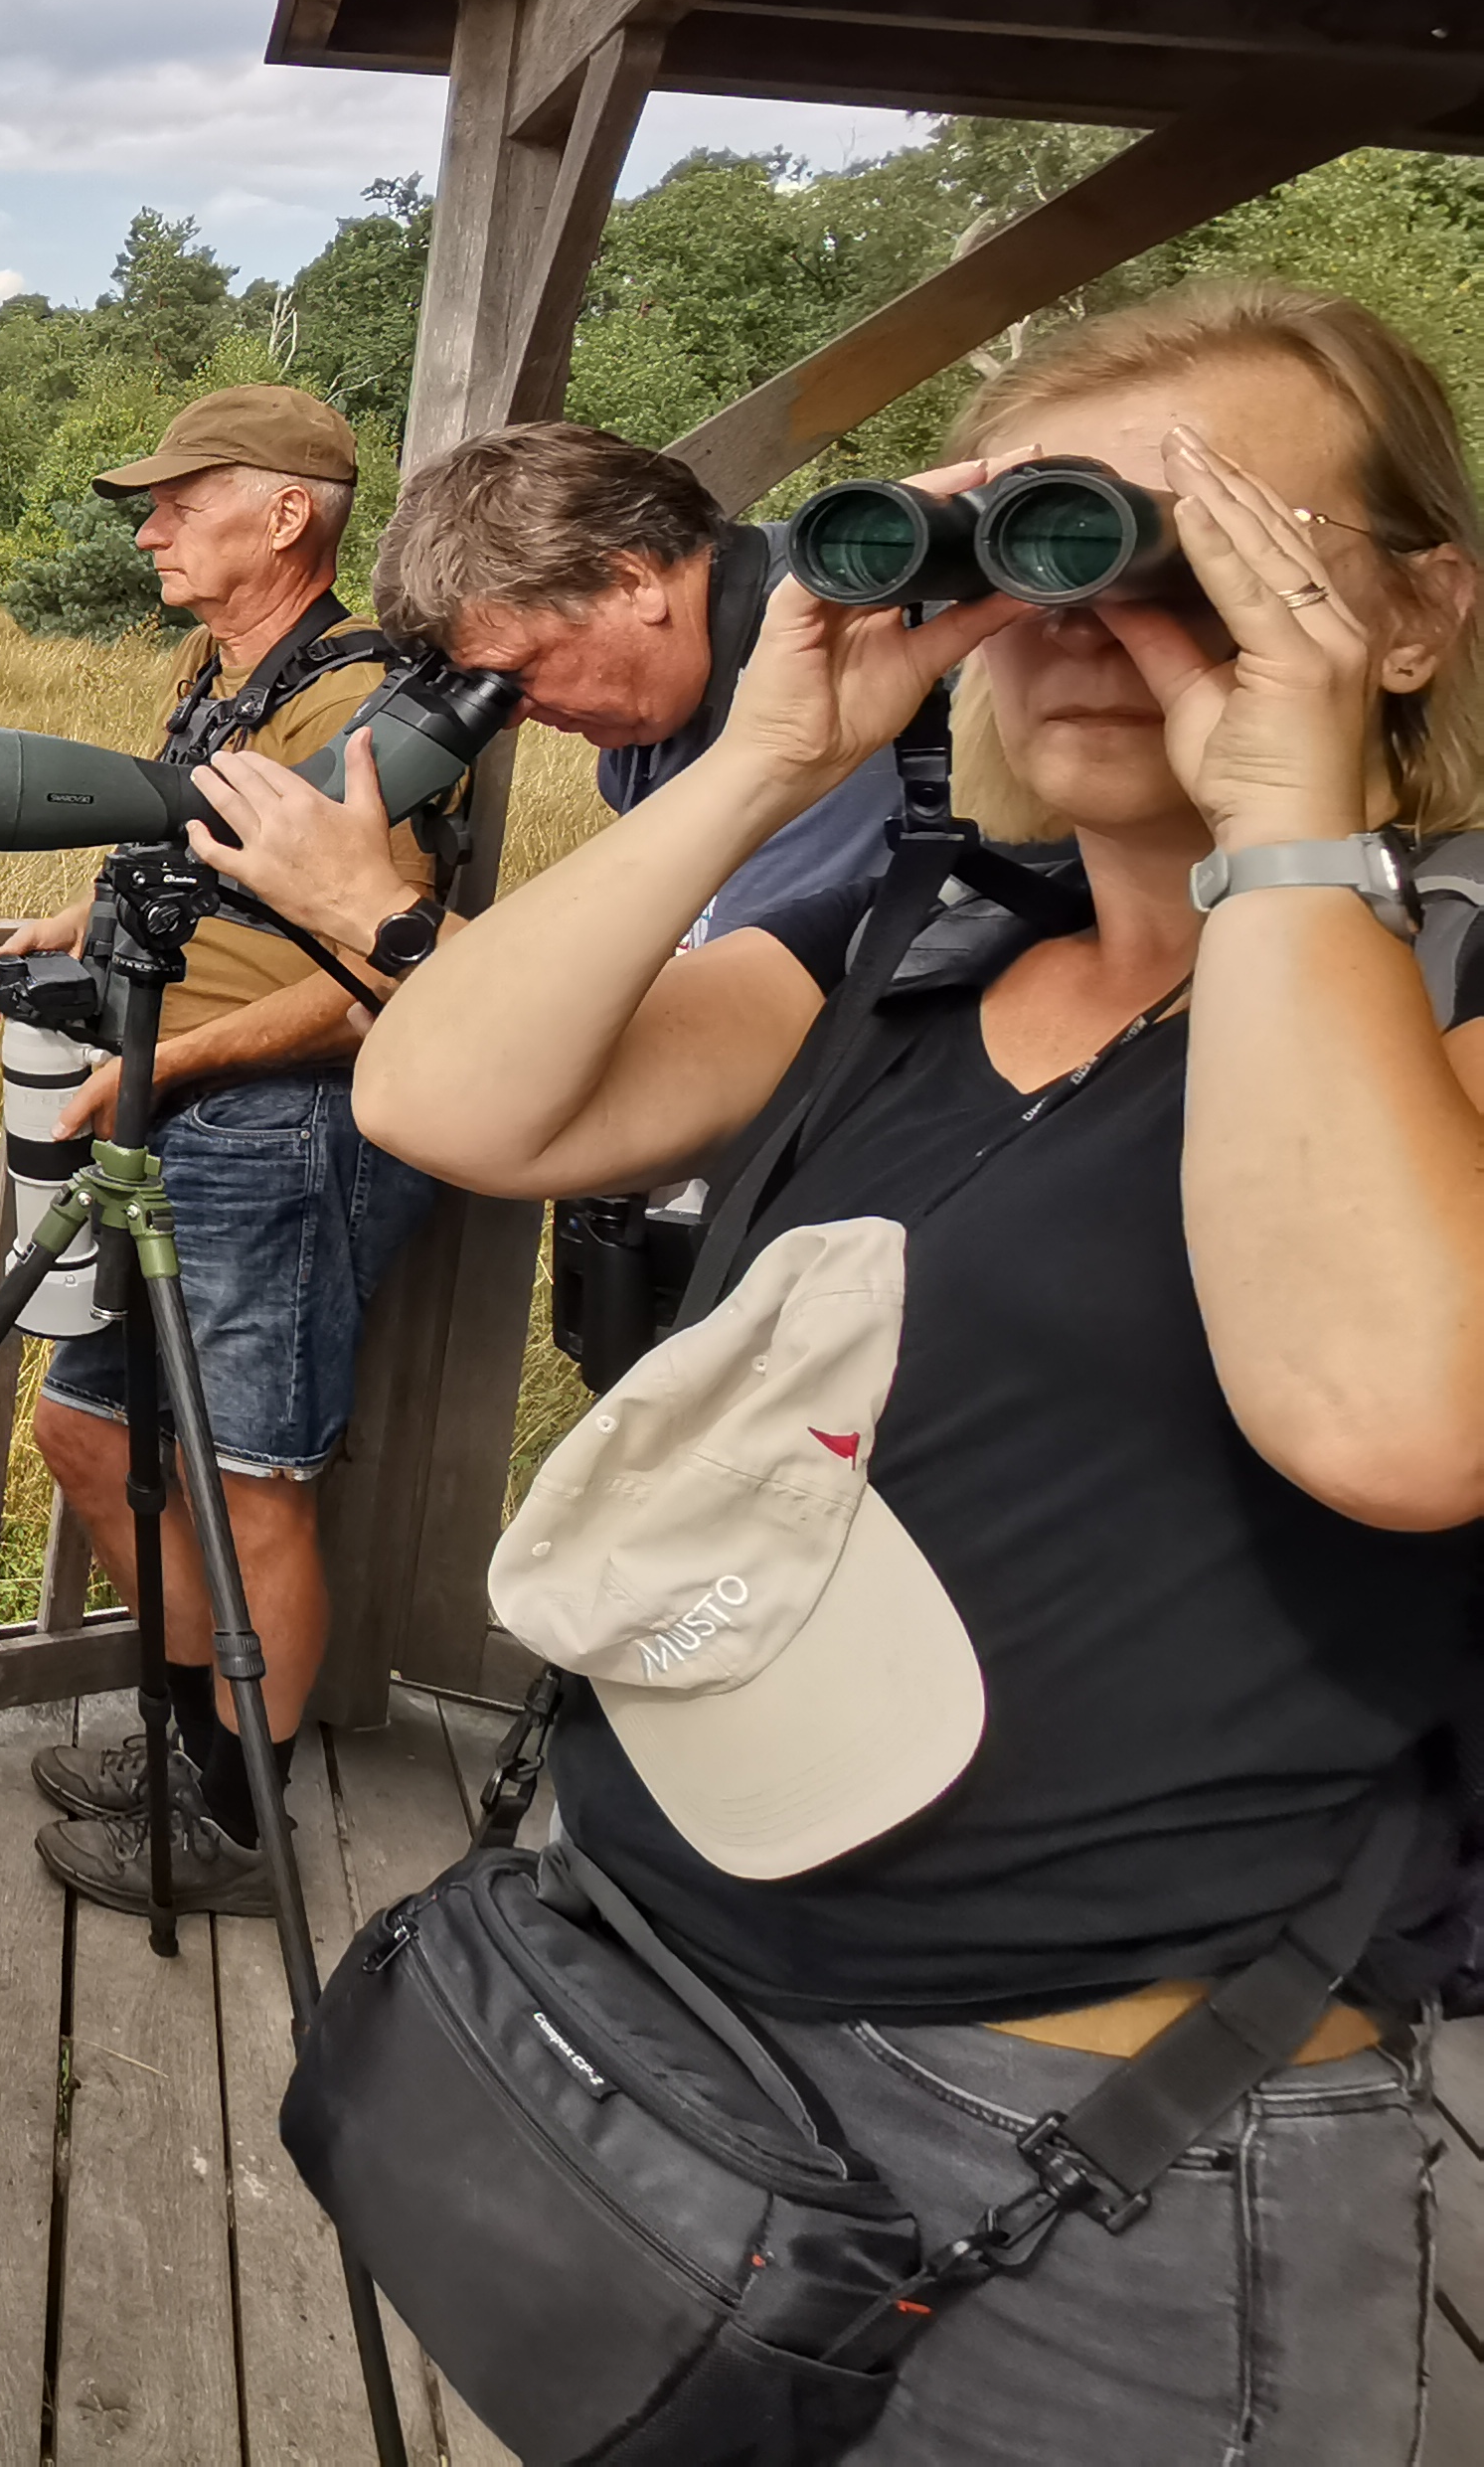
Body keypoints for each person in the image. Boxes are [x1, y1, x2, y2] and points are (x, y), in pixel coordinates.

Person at [336, 278, 1484, 2463]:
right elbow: (455, 1105)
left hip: (1095, 2122)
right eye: (1036, 545)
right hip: (664, 1987)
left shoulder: (1453, 989)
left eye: (1207, 548)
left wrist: (1290, 833)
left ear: (1417, 614)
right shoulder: (920, 945)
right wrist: (779, 757)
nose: (1095, 612)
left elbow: (1395, 1419)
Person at [0, 383, 440, 1917]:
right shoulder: (223, 671)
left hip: (282, 1132)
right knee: (92, 1431)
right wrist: (87, 917)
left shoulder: (365, 707)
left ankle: (240, 1830)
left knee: (253, 1482)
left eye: (185, 495)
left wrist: (173, 1058)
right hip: (172, 1111)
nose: (151, 520)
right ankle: (195, 1746)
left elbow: (385, 969)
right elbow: (207, 866)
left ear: (290, 513)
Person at [368, 417, 905, 950]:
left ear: (633, 581)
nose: (511, 713)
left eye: (516, 671)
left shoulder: (828, 657)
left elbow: (712, 1025)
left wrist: (370, 910)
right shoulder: (657, 709)